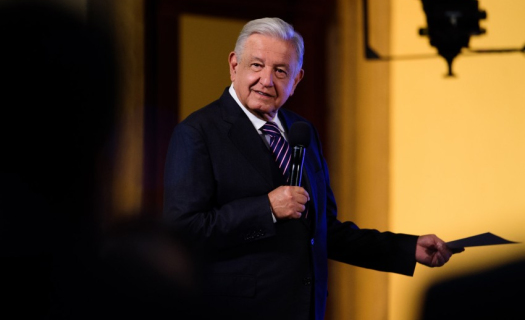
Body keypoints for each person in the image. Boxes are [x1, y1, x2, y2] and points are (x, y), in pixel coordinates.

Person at [163, 17, 462, 320]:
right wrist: (266, 208)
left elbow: (324, 231)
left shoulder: (301, 131)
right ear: (234, 65)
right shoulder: (198, 132)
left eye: (280, 71)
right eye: (256, 65)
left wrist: (407, 249)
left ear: (297, 79)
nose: (267, 80)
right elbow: (183, 232)